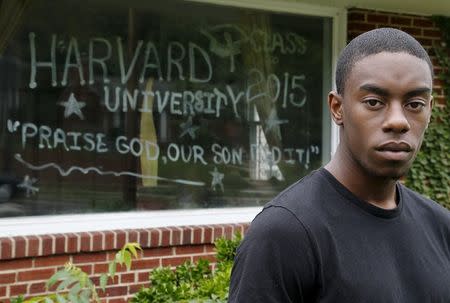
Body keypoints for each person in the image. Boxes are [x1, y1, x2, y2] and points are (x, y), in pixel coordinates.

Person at [228, 28, 450, 302]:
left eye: (414, 104)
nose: (398, 121)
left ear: (430, 109)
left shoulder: (440, 226)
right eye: (374, 102)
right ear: (337, 108)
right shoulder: (285, 234)